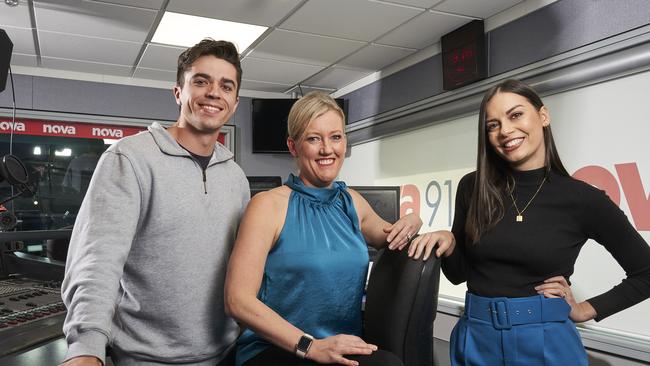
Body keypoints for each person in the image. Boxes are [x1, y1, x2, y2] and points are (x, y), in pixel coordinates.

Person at [224, 91, 455, 366]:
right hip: (280, 348)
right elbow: (237, 300)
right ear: (294, 146)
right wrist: (309, 346)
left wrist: (422, 223)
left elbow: (394, 236)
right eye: (313, 138)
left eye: (336, 137)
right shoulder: (266, 207)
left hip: (341, 348)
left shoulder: (352, 203)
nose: (327, 149)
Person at [59, 39, 249, 366]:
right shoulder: (129, 158)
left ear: (234, 103)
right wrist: (86, 348)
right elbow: (97, 260)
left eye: (226, 86)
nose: (214, 92)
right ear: (178, 93)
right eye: (201, 81)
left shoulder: (236, 178)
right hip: (143, 358)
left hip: (225, 355)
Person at [442, 79, 650, 365]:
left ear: (543, 116)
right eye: (493, 125)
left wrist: (585, 310)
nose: (505, 131)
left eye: (515, 115)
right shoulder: (473, 187)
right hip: (477, 337)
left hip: (546, 340)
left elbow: (646, 273)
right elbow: (458, 274)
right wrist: (450, 242)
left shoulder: (583, 199)